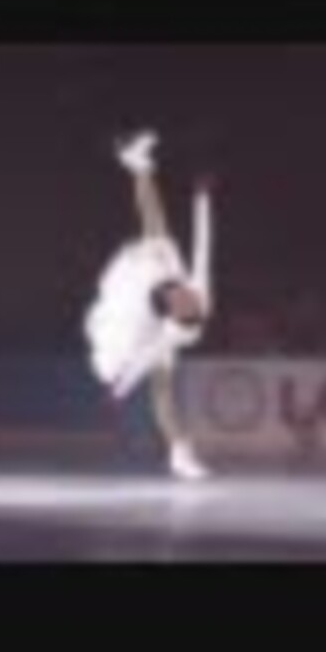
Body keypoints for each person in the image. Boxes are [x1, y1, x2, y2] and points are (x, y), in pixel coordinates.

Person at [84, 129, 215, 480]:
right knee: (158, 233)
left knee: (161, 387)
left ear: (173, 314)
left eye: (179, 303)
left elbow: (143, 358)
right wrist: (202, 198)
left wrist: (119, 390)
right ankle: (138, 165)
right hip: (157, 277)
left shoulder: (166, 332)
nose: (184, 296)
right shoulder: (199, 292)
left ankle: (179, 453)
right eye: (187, 298)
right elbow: (204, 247)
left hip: (139, 314)